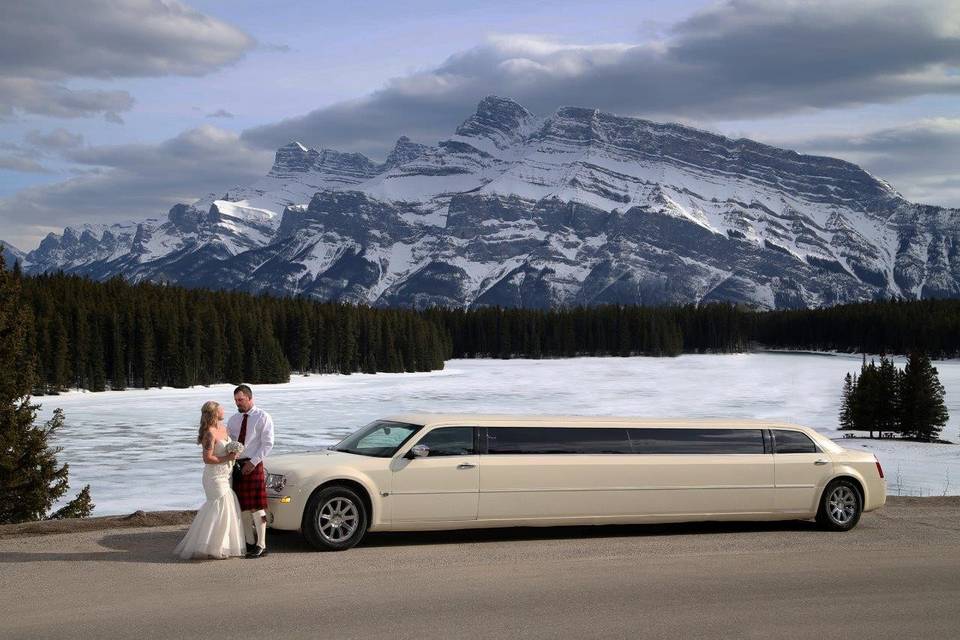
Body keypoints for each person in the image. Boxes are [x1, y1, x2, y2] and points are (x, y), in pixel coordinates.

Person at [173, 401, 246, 560]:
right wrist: (228, 457)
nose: (223, 410)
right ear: (214, 413)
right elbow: (207, 458)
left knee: (225, 508)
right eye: (221, 409)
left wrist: (234, 453)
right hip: (214, 476)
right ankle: (209, 546)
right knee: (219, 506)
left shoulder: (223, 429)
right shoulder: (209, 433)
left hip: (226, 474)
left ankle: (220, 545)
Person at [227, 384, 275, 559]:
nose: (238, 403)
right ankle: (249, 543)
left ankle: (261, 545)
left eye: (241, 400)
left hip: (253, 464)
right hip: (237, 465)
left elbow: (268, 444)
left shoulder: (262, 417)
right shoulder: (233, 419)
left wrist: (253, 463)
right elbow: (229, 442)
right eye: (236, 400)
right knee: (243, 508)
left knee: (257, 507)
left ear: (249, 398)